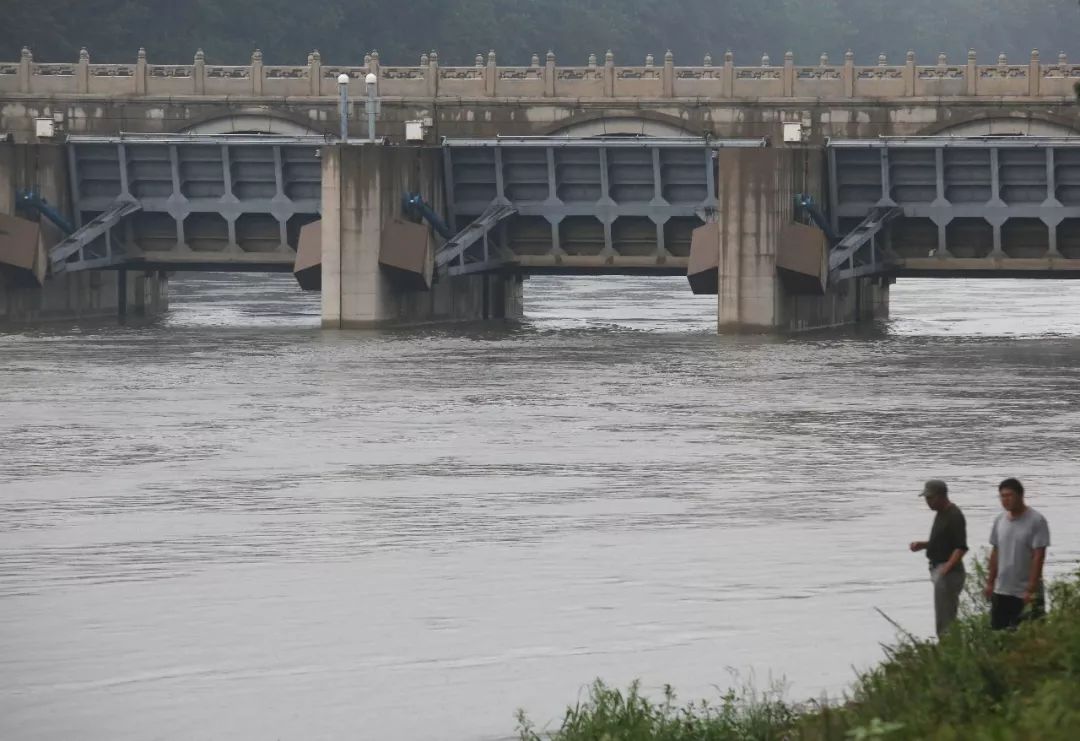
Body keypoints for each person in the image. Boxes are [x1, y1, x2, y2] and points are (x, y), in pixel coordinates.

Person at [985, 478, 1051, 630]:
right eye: (1002, 496)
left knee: (1031, 634)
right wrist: (990, 582)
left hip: (1025, 591)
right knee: (999, 633)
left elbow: (1038, 555)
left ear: (1021, 495)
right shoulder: (1000, 520)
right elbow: (996, 551)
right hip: (1002, 589)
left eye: (1009, 495)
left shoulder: (1036, 520)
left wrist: (1031, 588)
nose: (1005, 500)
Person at [909, 479, 968, 637]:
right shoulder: (941, 514)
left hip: (949, 573)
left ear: (942, 496)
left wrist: (946, 569)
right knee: (943, 616)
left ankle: (948, 650)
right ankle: (947, 648)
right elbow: (943, 542)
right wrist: (923, 545)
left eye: (930, 498)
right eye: (926, 498)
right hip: (940, 570)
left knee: (946, 619)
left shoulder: (954, 515)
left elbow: (960, 547)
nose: (928, 502)